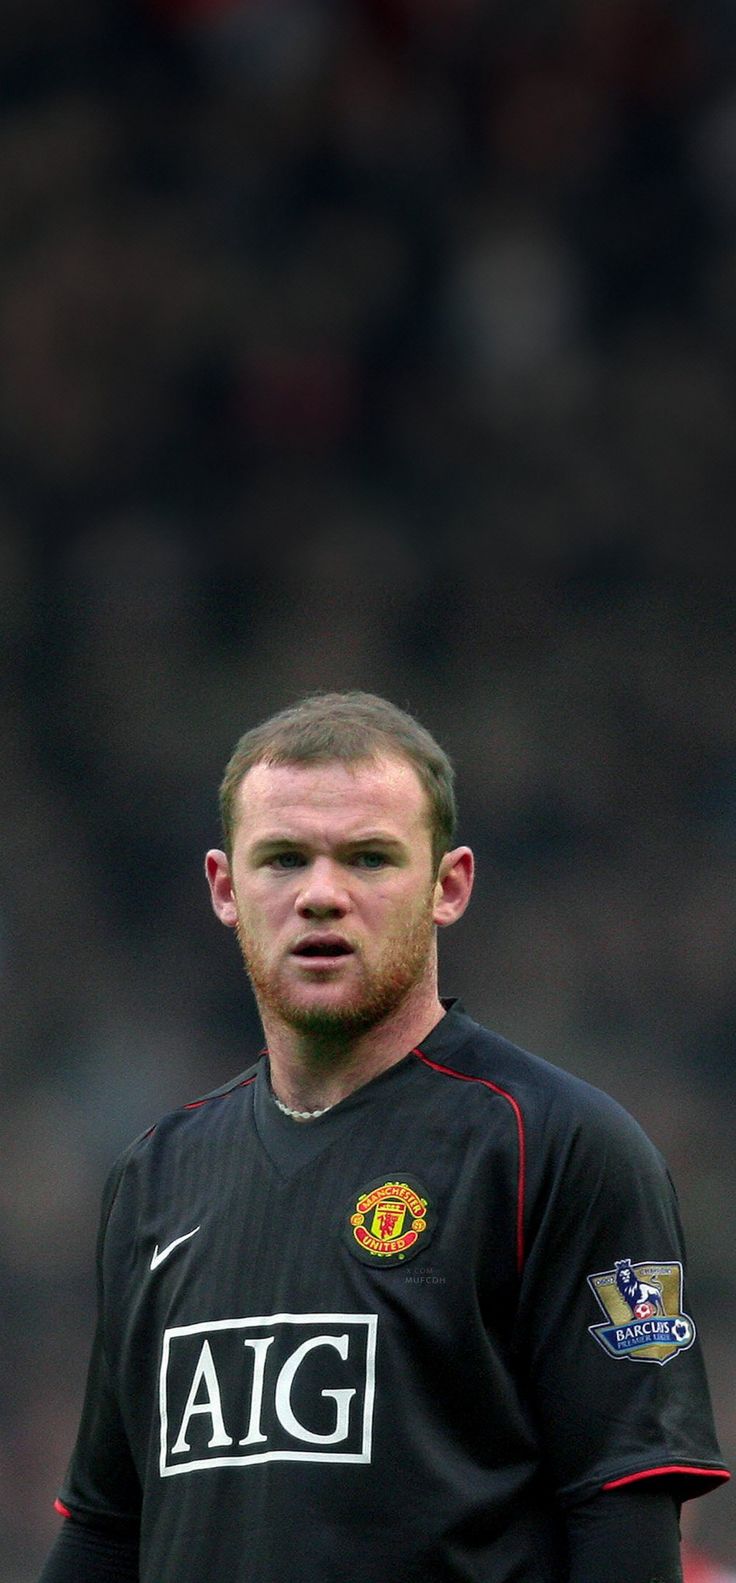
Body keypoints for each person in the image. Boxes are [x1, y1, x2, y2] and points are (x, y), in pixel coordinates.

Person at [39, 690, 729, 1583]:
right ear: (224, 887)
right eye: (283, 858)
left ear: (449, 885)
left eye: (369, 858)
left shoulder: (558, 1147)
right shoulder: (156, 1176)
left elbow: (624, 1519)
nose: (322, 894)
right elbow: (104, 1531)